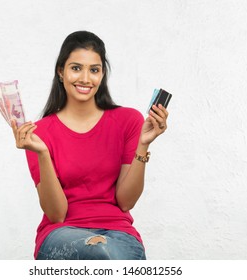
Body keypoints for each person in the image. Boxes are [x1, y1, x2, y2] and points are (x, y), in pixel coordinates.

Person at [11, 31, 169, 260]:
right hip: (62, 233)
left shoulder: (129, 121)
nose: (85, 78)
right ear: (60, 72)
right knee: (98, 253)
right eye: (76, 68)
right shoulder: (39, 133)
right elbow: (56, 214)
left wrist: (143, 146)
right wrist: (43, 153)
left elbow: (126, 201)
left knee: (109, 253)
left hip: (118, 233)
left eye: (94, 70)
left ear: (102, 74)